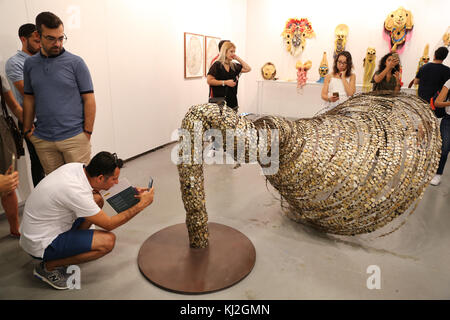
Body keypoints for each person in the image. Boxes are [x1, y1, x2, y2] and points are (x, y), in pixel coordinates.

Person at [19, 151, 155, 290]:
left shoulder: (78, 168)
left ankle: (73, 243)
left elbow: (97, 191)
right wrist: (141, 205)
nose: (117, 182)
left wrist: (130, 193)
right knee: (107, 242)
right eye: (114, 179)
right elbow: (109, 224)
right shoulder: (75, 191)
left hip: (43, 226)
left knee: (97, 200)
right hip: (41, 241)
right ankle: (48, 267)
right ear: (100, 177)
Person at [22, 12, 97, 175]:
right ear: (38, 35)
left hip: (75, 138)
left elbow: (89, 99)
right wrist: (27, 129)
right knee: (56, 189)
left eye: (61, 38)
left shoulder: (76, 63)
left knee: (81, 188)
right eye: (51, 38)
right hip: (44, 140)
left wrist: (87, 133)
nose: (57, 43)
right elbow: (28, 98)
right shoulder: (29, 64)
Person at [5, 23, 45, 187]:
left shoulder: (46, 58)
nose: (40, 44)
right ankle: (42, 203)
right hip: (31, 119)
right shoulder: (14, 63)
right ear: (23, 39)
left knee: (57, 160)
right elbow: (29, 92)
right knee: (39, 162)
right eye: (36, 41)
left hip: (52, 116)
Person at [0, 72, 22, 237]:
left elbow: (13, 105)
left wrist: (29, 124)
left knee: (9, 182)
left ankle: (15, 228)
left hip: (1, 129)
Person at [207, 41, 251, 112]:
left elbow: (248, 68)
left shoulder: (233, 66)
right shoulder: (217, 65)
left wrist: (237, 58)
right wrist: (225, 82)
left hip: (233, 103)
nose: (233, 54)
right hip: (219, 103)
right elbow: (209, 81)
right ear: (225, 52)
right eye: (231, 51)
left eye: (234, 51)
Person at [429, 79, 450, 186]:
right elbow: (437, 103)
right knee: (444, 149)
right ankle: (438, 174)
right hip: (448, 120)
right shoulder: (449, 82)